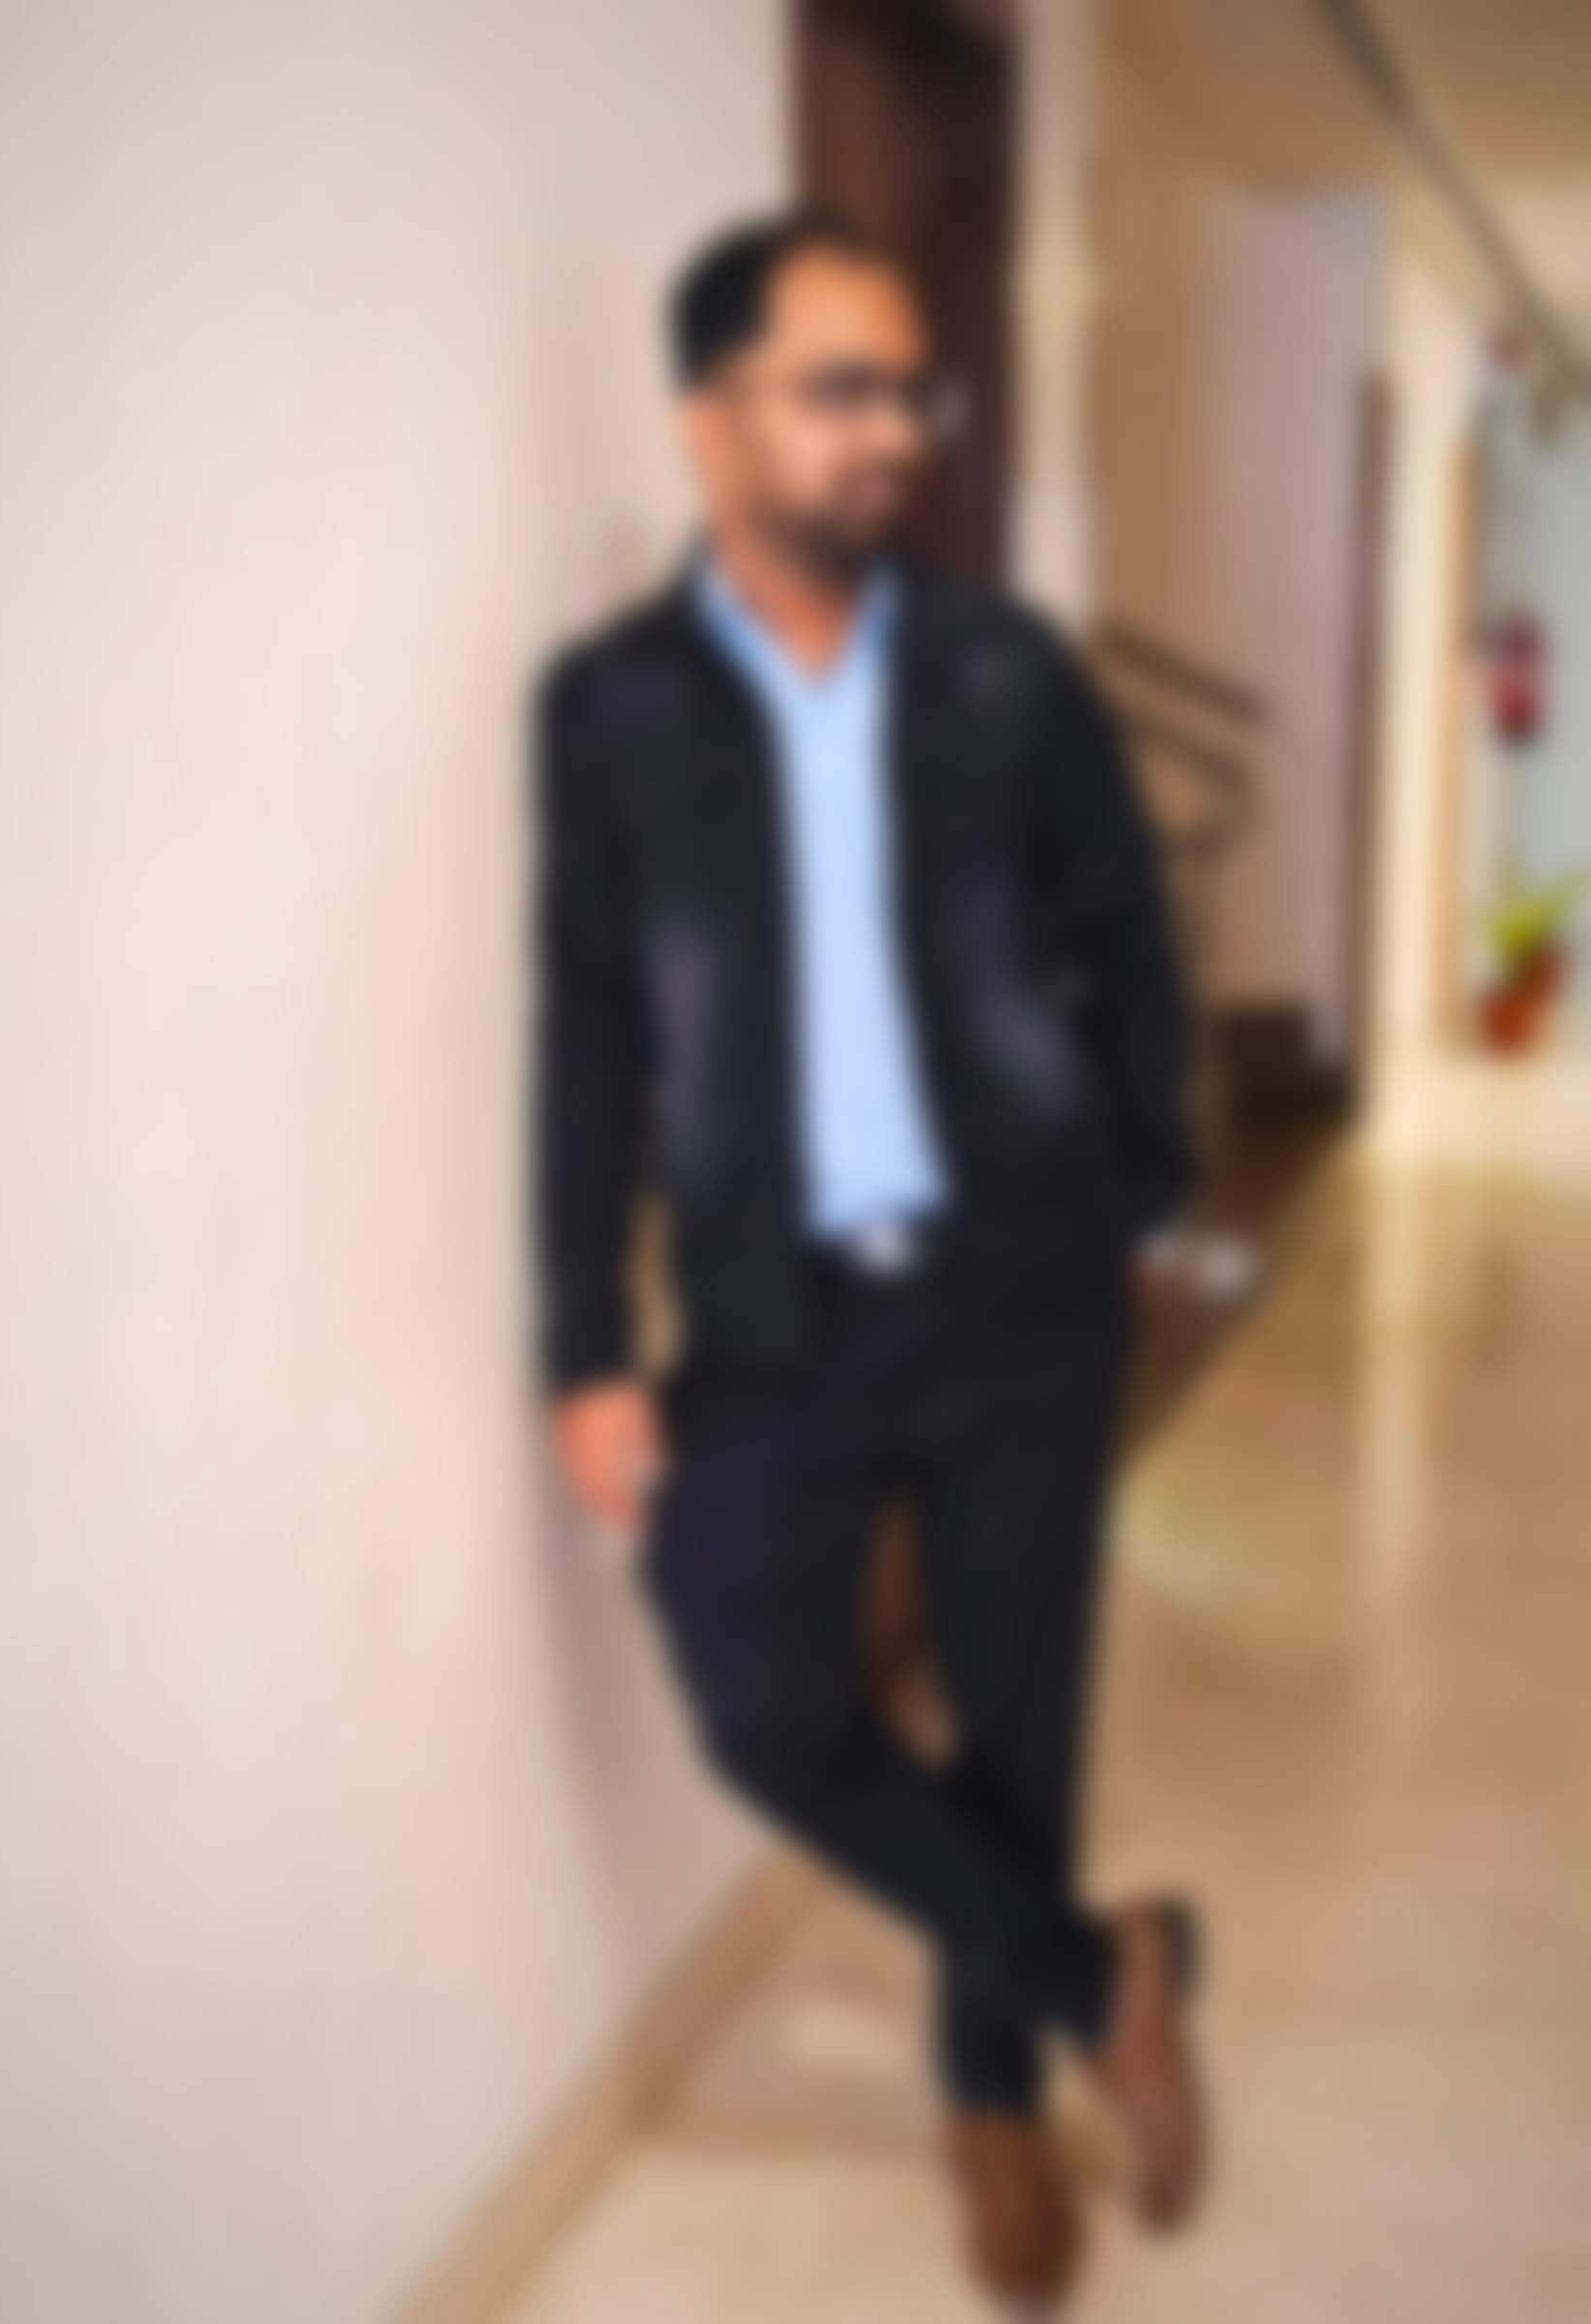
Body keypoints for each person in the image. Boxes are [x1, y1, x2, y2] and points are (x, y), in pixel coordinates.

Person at [528, 208, 1207, 2306]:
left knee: (1018, 1724)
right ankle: (1105, 1975)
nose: (894, 432)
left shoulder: (1007, 669)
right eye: (842, 388)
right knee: (759, 1701)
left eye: (911, 390)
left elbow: (1129, 942)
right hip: (767, 1313)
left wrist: (1138, 1193)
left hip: (1018, 1289)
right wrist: (585, 1340)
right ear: (708, 417)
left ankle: (991, 2106)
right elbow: (591, 1032)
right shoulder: (612, 708)